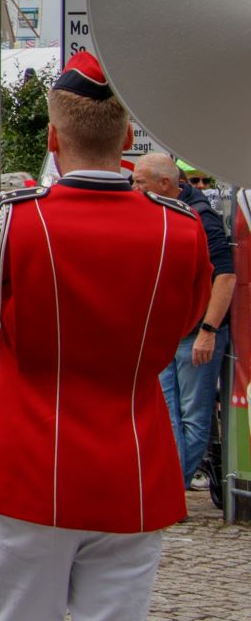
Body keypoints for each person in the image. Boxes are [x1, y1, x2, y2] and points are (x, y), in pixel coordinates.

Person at [0, 53, 213, 621]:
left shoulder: (13, 219)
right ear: (127, 136)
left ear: (52, 138)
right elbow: (181, 323)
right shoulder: (179, 228)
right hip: (130, 466)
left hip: (26, 463)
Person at [134, 152, 236, 488]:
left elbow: (225, 276)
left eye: (140, 182)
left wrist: (208, 330)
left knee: (193, 417)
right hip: (167, 334)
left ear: (164, 184)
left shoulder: (201, 218)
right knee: (166, 417)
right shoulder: (156, 211)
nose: (134, 188)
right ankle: (169, 489)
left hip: (197, 334)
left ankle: (170, 490)